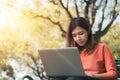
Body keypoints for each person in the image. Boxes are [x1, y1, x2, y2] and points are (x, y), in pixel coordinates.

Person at [50, 17, 118, 80]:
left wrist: (92, 75)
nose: (78, 38)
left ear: (88, 31)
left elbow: (113, 74)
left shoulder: (102, 48)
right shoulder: (73, 53)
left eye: (81, 33)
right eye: (74, 35)